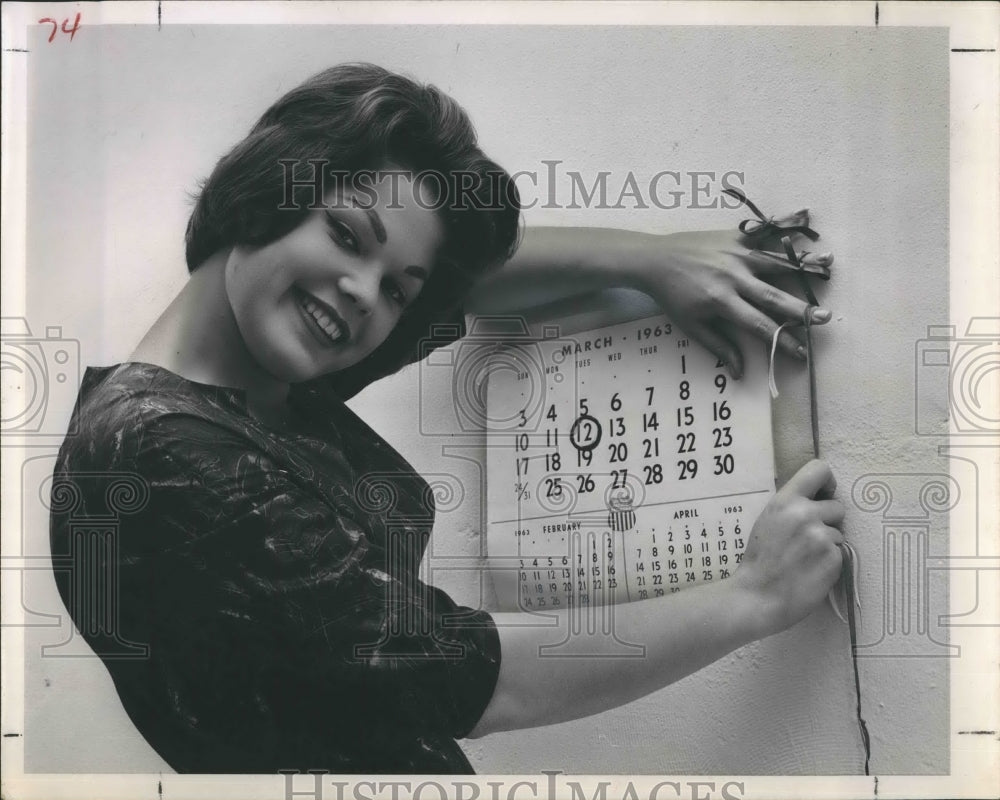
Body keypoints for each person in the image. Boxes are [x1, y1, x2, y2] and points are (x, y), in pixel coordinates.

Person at [49, 63, 844, 774]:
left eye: (395, 286)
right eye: (346, 232)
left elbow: (454, 285)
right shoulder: (156, 451)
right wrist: (753, 597)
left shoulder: (264, 379)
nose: (364, 292)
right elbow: (466, 675)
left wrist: (647, 258)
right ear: (266, 190)